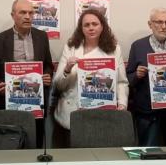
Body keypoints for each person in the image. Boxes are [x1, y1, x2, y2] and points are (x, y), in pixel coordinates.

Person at [52, 8, 129, 147]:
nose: (91, 28)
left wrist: (122, 104)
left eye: (95, 24)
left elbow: (121, 82)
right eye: (86, 25)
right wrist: (67, 69)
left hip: (103, 115)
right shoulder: (71, 48)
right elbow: (58, 85)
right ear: (81, 28)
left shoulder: (114, 49)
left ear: (102, 26)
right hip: (71, 115)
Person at [0, 0, 54, 148]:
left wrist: (48, 75)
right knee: (9, 144)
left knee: (35, 144)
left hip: (35, 101)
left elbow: (48, 65)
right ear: (13, 15)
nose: (27, 16)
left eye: (31, 13)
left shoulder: (42, 37)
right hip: (8, 101)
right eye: (23, 12)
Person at [126, 8, 166, 146]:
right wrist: (137, 75)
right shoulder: (138, 46)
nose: (164, 26)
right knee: (148, 153)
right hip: (148, 111)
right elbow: (128, 78)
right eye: (159, 22)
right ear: (150, 24)